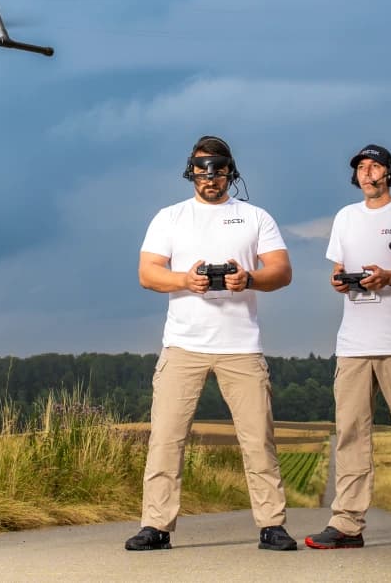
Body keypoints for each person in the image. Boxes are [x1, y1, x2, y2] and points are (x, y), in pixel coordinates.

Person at [124, 135, 297, 552]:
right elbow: (148, 273)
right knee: (166, 437)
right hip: (183, 343)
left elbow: (282, 270)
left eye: (218, 168)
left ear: (230, 171)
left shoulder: (256, 217)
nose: (210, 176)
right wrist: (186, 279)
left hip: (241, 344)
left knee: (257, 438)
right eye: (202, 168)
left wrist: (248, 278)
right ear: (190, 171)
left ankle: (271, 524)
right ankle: (156, 525)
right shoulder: (170, 217)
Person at [304, 145, 391, 551]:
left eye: (376, 167)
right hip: (353, 344)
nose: (368, 174)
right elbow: (336, 270)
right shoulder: (345, 218)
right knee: (351, 434)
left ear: (390, 173)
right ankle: (347, 523)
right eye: (362, 168)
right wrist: (339, 280)